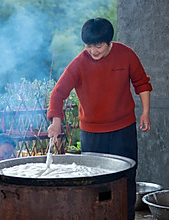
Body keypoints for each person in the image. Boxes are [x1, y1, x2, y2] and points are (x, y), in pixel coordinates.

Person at [47, 18, 152, 220]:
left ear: (108, 41)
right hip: (92, 133)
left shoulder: (126, 54)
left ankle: (126, 216)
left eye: (98, 46)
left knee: (126, 178)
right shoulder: (78, 63)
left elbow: (142, 84)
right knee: (94, 180)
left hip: (123, 129)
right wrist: (56, 122)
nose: (93, 51)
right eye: (88, 46)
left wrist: (145, 112)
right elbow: (57, 94)